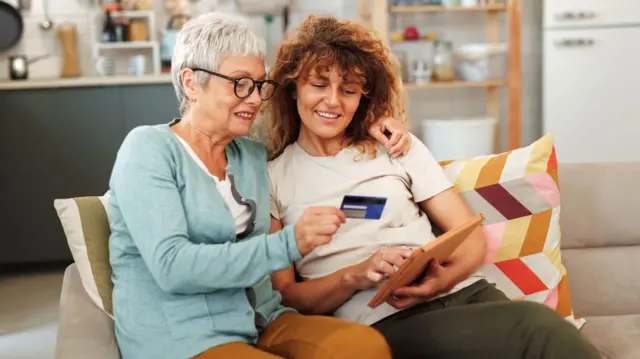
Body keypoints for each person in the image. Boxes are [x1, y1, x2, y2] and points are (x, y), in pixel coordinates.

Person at [265, 15, 603, 359]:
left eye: (348, 90)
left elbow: (469, 236)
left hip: (466, 293)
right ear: (294, 88)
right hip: (385, 318)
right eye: (319, 85)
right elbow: (288, 296)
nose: (333, 101)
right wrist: (356, 274)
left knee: (541, 334)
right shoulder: (272, 178)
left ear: (362, 98)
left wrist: (442, 280)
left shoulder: (394, 146)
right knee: (539, 326)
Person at [107, 12, 411, 359]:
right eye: (239, 83)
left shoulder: (250, 154)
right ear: (191, 83)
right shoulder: (148, 149)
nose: (253, 99)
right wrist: (287, 244)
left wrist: (373, 122)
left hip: (263, 320)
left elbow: (318, 121)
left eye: (259, 85)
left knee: (363, 347)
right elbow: (172, 266)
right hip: (184, 335)